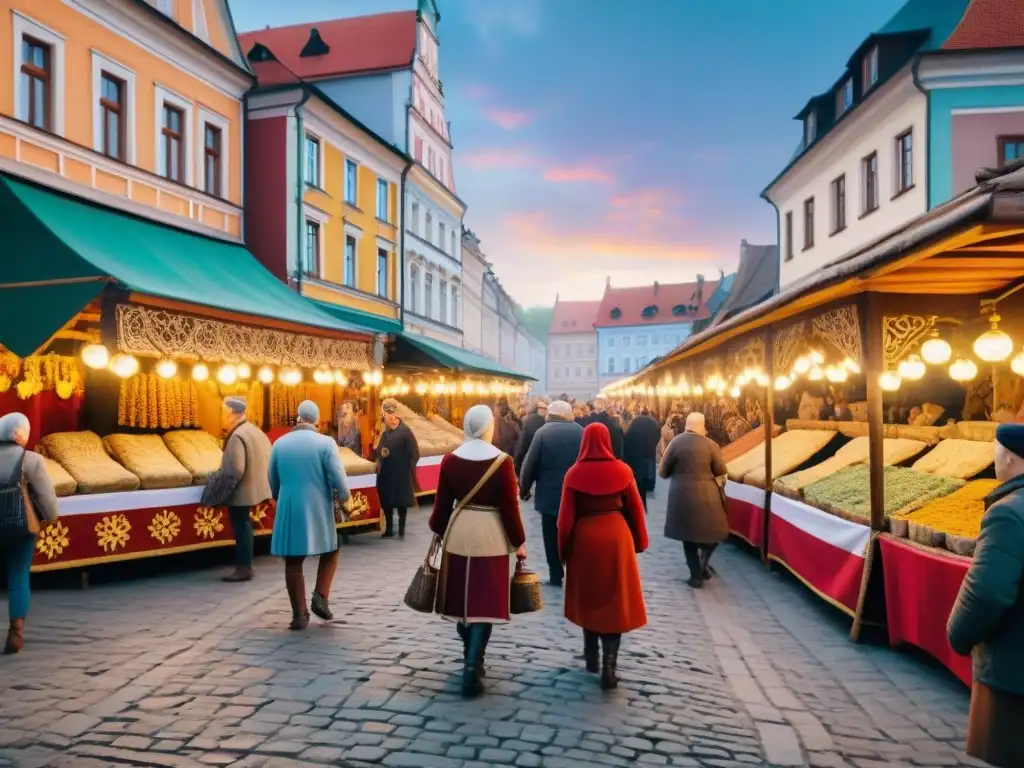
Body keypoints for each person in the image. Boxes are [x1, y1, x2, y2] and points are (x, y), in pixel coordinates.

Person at [429, 405, 527, 698]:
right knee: (484, 602)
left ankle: (469, 649)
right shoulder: (502, 462)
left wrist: (438, 529)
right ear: (488, 427)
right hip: (491, 535)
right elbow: (509, 506)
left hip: (459, 532)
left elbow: (442, 504)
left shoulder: (450, 460)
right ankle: (473, 665)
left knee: (462, 598)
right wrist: (518, 541)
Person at [948, 423, 1024, 768]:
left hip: (1013, 671)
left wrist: (958, 635)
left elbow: (987, 593)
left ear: (1008, 457)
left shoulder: (1008, 513)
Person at [558, 422, 648, 690]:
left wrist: (563, 552)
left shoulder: (573, 474)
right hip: (617, 537)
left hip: (586, 538)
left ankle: (591, 657)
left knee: (590, 598)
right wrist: (639, 542)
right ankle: (609, 667)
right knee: (614, 602)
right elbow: (635, 510)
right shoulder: (623, 470)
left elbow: (564, 522)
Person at [269, 400, 349, 629]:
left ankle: (299, 614)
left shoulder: (279, 444)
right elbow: (338, 476)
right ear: (316, 419)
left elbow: (272, 477)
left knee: (293, 561)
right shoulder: (325, 443)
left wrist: (278, 495)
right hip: (318, 506)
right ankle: (320, 596)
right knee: (331, 551)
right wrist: (344, 498)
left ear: (297, 418)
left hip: (290, 505)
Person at [0, 413, 60, 654]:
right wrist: (51, 517)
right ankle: (15, 633)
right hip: (20, 526)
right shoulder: (31, 460)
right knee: (18, 575)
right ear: (20, 433)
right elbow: (47, 499)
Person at [201, 396, 272, 583]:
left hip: (242, 490)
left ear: (233, 413)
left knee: (241, 526)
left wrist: (218, 489)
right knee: (245, 525)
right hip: (255, 486)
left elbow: (236, 469)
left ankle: (243, 568)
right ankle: (245, 566)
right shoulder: (254, 431)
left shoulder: (237, 436)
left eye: (224, 412)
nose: (222, 417)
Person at [659, 412, 728, 588]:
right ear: (702, 426)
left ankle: (696, 575)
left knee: (687, 537)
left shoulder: (676, 443)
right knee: (714, 533)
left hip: (681, 496)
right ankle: (703, 562)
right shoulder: (711, 445)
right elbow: (721, 472)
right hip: (708, 495)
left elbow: (663, 471)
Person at [519, 400, 584, 586]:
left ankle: (555, 573)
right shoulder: (581, 432)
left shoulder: (543, 433)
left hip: (549, 496)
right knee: (574, 534)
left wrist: (524, 489)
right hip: (576, 495)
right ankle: (574, 571)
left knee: (550, 535)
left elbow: (529, 464)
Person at [374, 398, 420, 539]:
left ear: (394, 415)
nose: (388, 417)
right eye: (386, 415)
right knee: (387, 502)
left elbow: (415, 454)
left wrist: (408, 469)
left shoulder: (405, 432)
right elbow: (379, 450)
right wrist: (379, 453)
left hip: (401, 474)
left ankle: (401, 530)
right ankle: (389, 530)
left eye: (390, 414)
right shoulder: (385, 433)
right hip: (386, 474)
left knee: (401, 503)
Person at [623, 407, 662, 510]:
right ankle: (650, 483)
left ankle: (641, 482)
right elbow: (658, 434)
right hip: (650, 448)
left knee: (642, 467)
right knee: (650, 466)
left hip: (639, 448)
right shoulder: (653, 422)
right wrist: (653, 443)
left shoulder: (635, 421)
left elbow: (629, 434)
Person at [513, 398, 549, 476]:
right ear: (539, 409)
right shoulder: (538, 422)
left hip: (526, 464)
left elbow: (521, 447)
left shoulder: (529, 420)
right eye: (545, 408)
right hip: (536, 467)